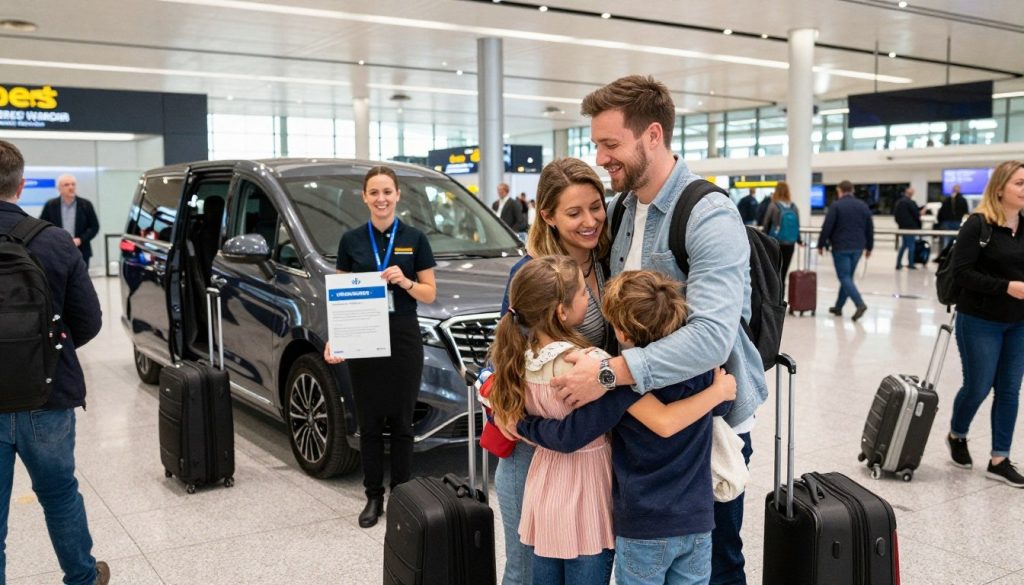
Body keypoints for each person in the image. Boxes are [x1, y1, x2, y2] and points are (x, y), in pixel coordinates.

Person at [550, 75, 768, 585]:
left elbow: (714, 336)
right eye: (598, 145)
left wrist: (609, 375)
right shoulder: (624, 209)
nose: (601, 159)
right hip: (642, 425)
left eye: (610, 145)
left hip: (703, 429)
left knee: (715, 562)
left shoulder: (708, 215)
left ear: (652, 135)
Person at [490, 258, 731, 585]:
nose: (588, 298)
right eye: (583, 293)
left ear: (621, 331)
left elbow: (564, 433)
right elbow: (670, 420)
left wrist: (521, 426)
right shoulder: (613, 370)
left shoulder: (522, 358)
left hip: (560, 495)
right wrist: (720, 392)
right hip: (664, 511)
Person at [496, 157, 614, 585]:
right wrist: (502, 404)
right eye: (574, 212)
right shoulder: (533, 275)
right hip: (535, 450)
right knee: (525, 571)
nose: (590, 221)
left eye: (596, 206)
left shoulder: (608, 263)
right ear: (546, 214)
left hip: (588, 447)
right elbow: (505, 351)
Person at [0, 140, 108, 584]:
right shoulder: (54, 241)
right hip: (48, 396)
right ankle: (82, 578)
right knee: (60, 495)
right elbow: (90, 321)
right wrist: (50, 349)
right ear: (21, 185)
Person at [323, 165, 437, 528]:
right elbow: (341, 297)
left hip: (403, 334)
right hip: (362, 334)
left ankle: (401, 494)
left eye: (387, 191)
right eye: (374, 192)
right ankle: (373, 496)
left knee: (402, 422)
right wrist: (335, 337)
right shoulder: (351, 240)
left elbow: (429, 294)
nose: (381, 198)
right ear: (364, 197)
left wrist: (404, 281)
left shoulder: (415, 238)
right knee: (370, 423)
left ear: (398, 195)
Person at [946, 160, 1024, 489]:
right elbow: (961, 273)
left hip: (1019, 322)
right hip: (979, 319)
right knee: (978, 386)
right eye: (1020, 183)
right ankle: (957, 434)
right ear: (1000, 187)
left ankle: (999, 459)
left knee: (1008, 390)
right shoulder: (978, 225)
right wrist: (1005, 286)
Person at [817, 180, 874, 321]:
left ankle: (860, 304)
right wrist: (869, 247)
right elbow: (870, 228)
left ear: (839, 190)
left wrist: (821, 244)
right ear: (852, 190)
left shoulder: (836, 206)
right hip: (858, 247)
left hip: (841, 247)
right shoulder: (862, 206)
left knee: (844, 277)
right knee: (847, 277)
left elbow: (827, 226)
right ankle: (838, 307)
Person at [39, 174, 100, 268]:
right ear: (59, 188)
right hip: (57, 251)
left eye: (73, 184)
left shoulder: (86, 205)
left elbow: (94, 227)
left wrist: (80, 240)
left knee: (81, 281)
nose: (71, 187)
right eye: (66, 185)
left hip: (81, 250)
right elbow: (43, 226)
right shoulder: (50, 205)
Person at [761, 181, 802, 286]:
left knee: (774, 272)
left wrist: (763, 239)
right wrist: (799, 240)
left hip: (775, 243)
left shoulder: (773, 205)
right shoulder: (794, 206)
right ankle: (781, 299)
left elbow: (766, 224)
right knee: (783, 273)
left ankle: (773, 299)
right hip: (790, 243)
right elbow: (797, 225)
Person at [893, 187, 922, 270]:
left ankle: (898, 263)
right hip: (910, 228)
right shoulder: (910, 202)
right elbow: (916, 214)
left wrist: (901, 224)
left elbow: (896, 216)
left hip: (903, 227)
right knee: (911, 246)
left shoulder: (899, 202)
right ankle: (911, 264)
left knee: (904, 245)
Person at [937, 183, 970, 249]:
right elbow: (966, 212)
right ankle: (953, 255)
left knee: (946, 241)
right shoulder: (963, 200)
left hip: (946, 222)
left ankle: (945, 256)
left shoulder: (946, 200)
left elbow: (941, 212)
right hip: (957, 222)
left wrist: (940, 222)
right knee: (956, 241)